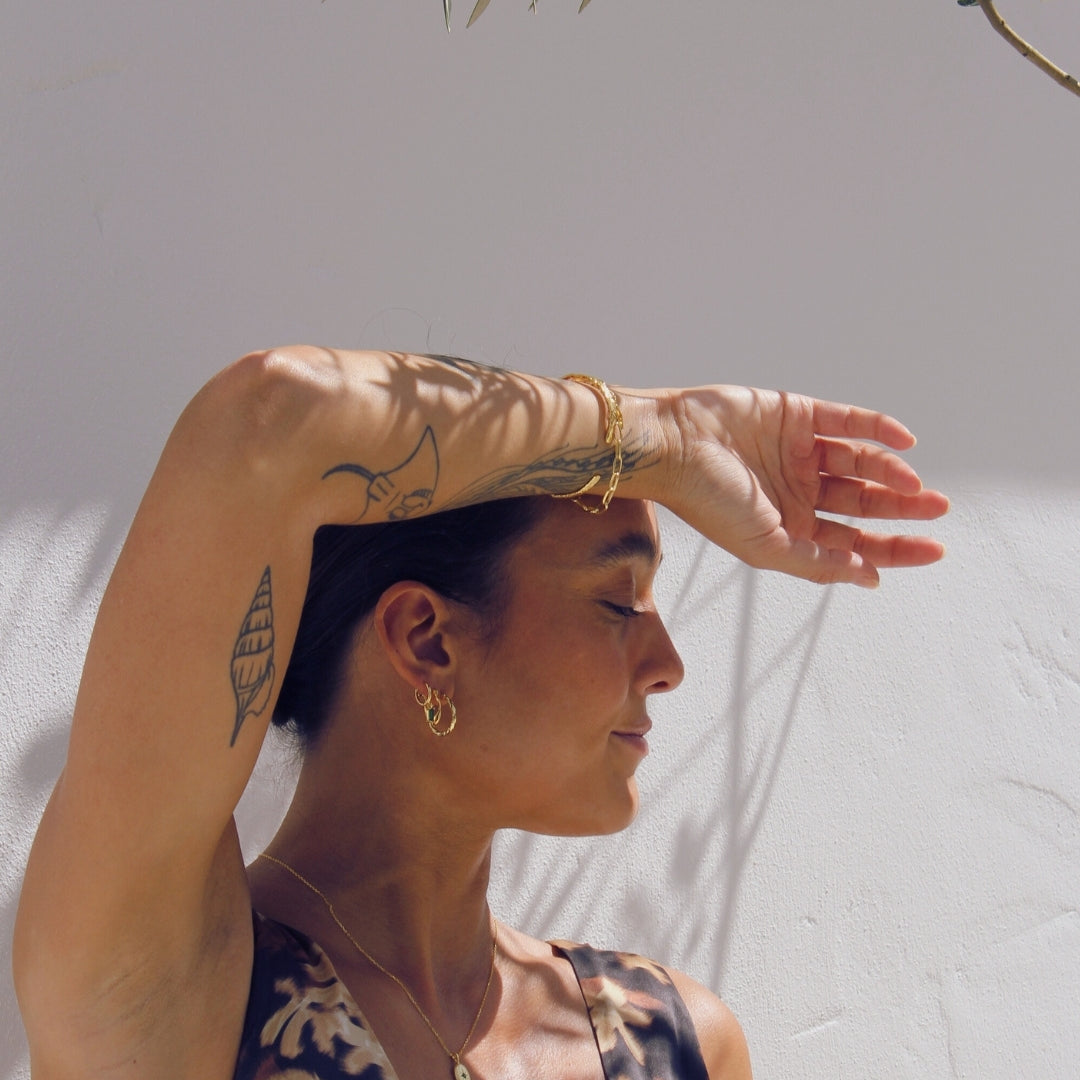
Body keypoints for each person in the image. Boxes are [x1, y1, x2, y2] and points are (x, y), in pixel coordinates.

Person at [13, 347, 948, 1080]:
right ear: (426, 639)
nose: (668, 666)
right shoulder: (178, 984)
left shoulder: (677, 1046)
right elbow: (265, 423)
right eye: (619, 601)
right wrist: (659, 433)